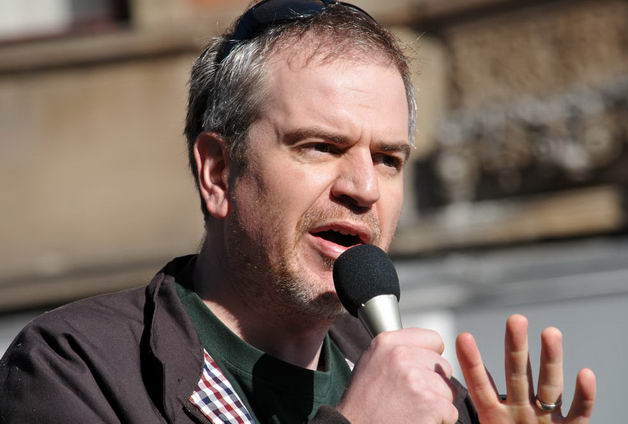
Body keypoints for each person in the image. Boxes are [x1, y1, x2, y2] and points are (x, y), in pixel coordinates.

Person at [0, 0, 596, 423]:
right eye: (321, 147)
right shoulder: (81, 368)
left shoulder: (437, 402)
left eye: (388, 159)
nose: (364, 188)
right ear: (218, 172)